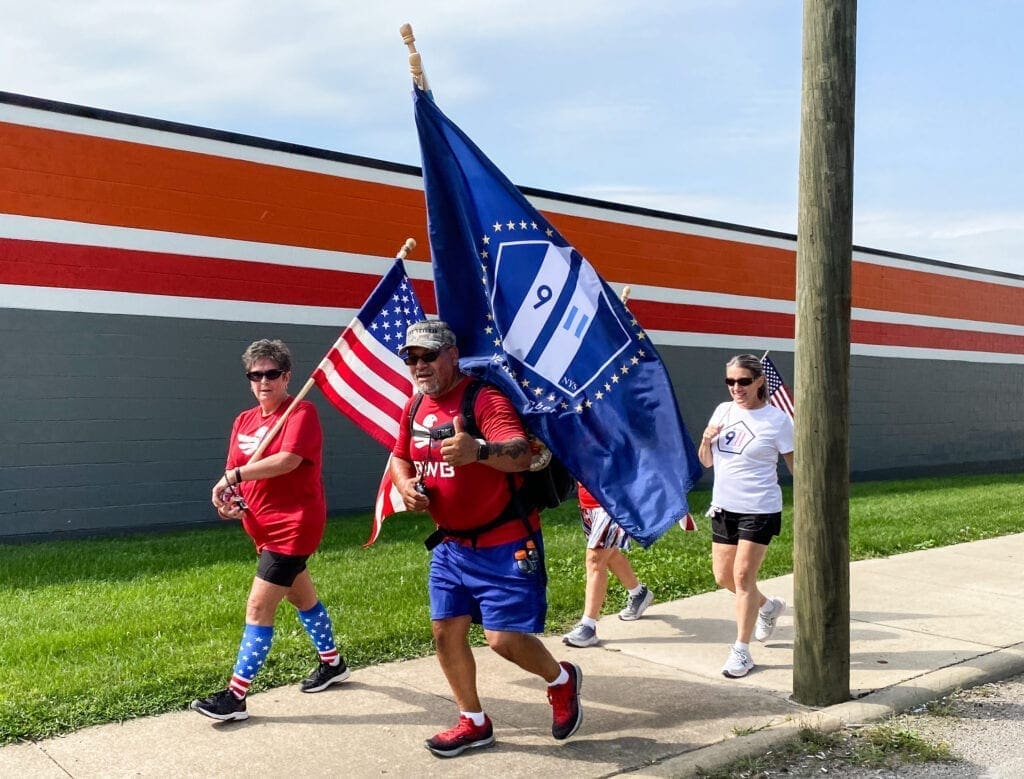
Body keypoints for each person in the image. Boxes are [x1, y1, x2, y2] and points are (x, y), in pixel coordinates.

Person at [390, 320, 582, 758]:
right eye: (412, 357)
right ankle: (474, 721)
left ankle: (561, 680)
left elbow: (521, 453)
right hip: (451, 547)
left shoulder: (484, 398)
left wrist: (479, 451)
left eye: (429, 355)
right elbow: (399, 455)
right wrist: (404, 485)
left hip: (505, 542)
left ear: (452, 355)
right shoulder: (415, 406)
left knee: (504, 640)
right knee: (445, 633)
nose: (420, 365)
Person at [190, 339, 349, 721]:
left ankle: (235, 696)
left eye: (272, 374)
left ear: (286, 377)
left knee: (260, 606)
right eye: (256, 375)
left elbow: (288, 460)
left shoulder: (301, 412)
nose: (264, 381)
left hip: (294, 525)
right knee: (301, 597)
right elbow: (236, 472)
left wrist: (235, 475)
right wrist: (231, 499)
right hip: (260, 526)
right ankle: (333, 663)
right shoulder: (243, 420)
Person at [698, 354, 794, 679]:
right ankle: (768, 606)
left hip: (760, 508)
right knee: (723, 577)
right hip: (724, 507)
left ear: (759, 381)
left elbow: (797, 467)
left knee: (742, 577)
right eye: (730, 382)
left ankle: (741, 650)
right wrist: (706, 439)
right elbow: (707, 462)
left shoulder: (778, 421)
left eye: (743, 381)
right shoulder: (723, 412)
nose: (736, 388)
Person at [562, 483, 654, 648]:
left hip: (614, 503)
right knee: (609, 554)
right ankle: (638, 593)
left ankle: (588, 626)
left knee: (595, 559)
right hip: (587, 502)